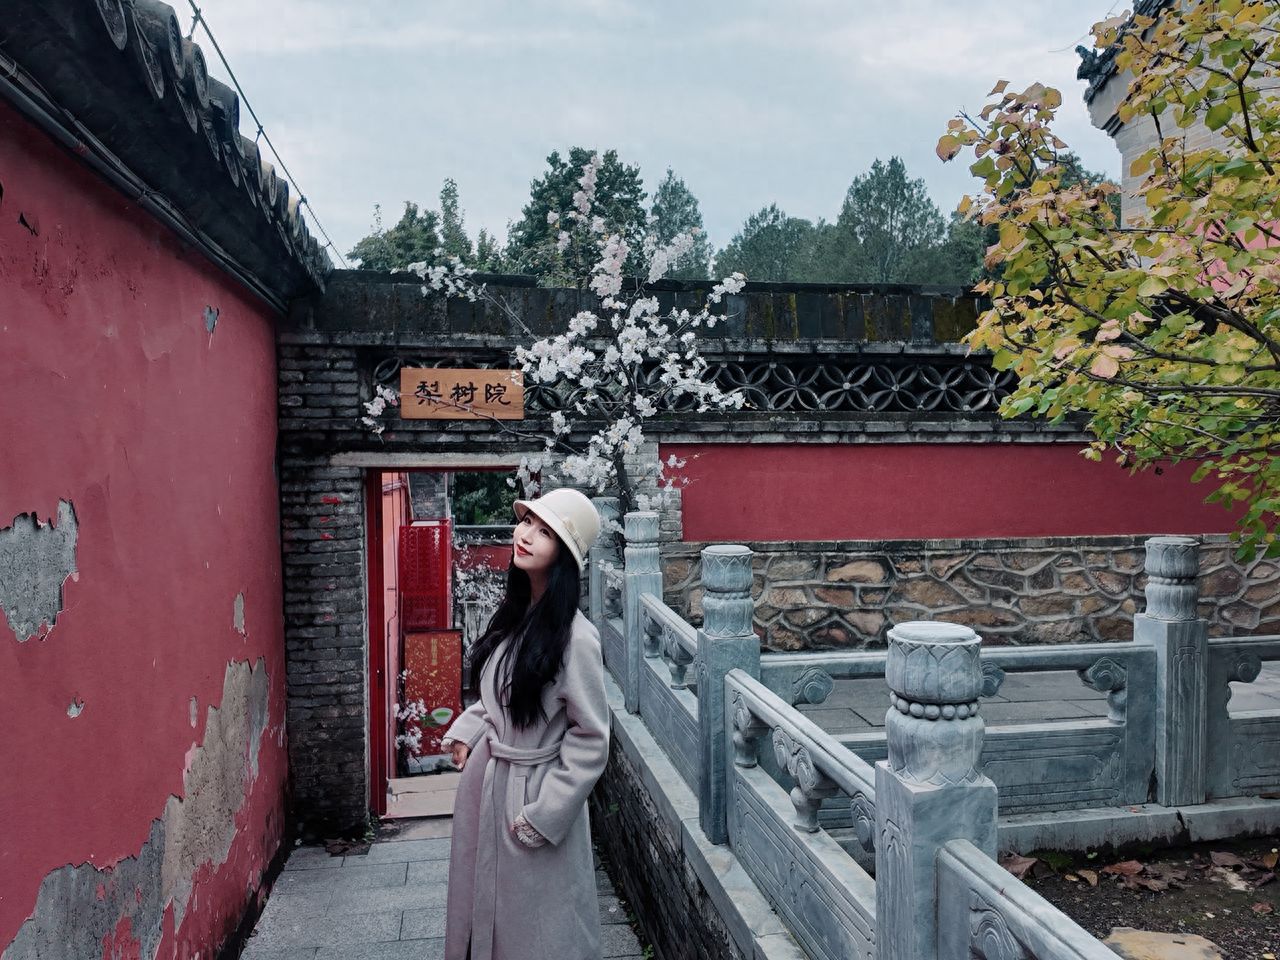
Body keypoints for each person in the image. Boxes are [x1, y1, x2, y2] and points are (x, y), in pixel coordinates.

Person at [440, 487, 610, 960]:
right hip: (489, 786)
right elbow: (505, 697)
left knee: (539, 929)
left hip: (531, 796)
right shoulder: (517, 618)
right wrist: (469, 730)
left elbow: (592, 737)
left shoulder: (577, 639)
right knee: (485, 915)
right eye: (527, 522)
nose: (527, 535)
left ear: (565, 555)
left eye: (546, 532)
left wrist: (546, 811)